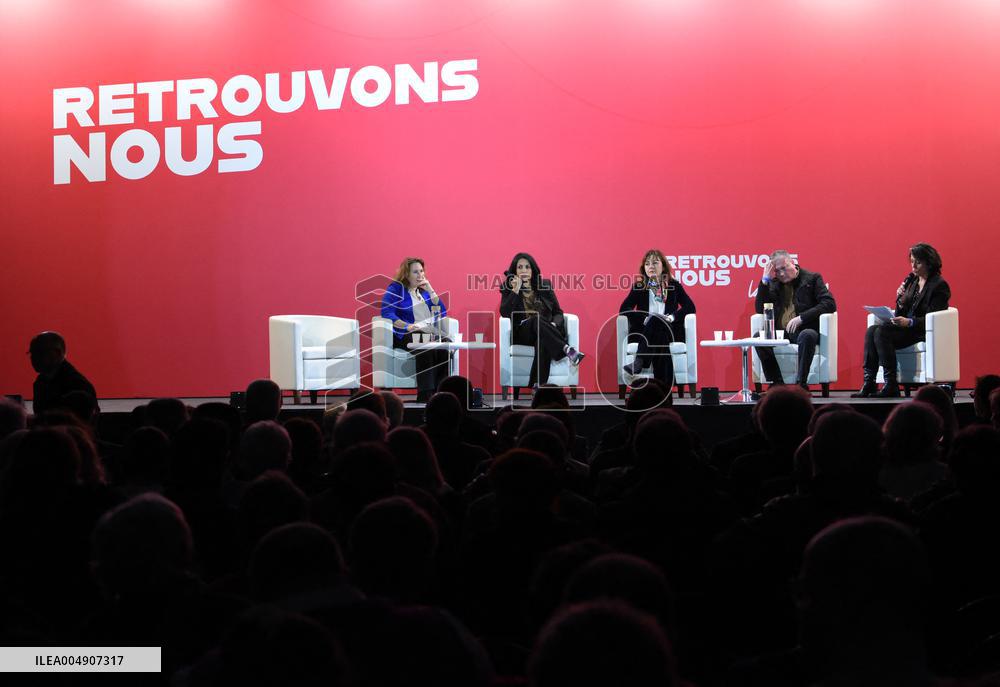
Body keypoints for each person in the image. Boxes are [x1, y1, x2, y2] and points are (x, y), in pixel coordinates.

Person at [853, 243, 951, 398]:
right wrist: (900, 300)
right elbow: (901, 312)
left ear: (929, 262)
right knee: (872, 330)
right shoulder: (912, 281)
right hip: (906, 329)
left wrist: (910, 322)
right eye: (911, 261)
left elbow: (933, 317)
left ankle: (891, 384)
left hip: (922, 331)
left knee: (881, 332)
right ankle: (869, 382)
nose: (913, 265)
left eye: (917, 262)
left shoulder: (939, 285)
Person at [754, 251, 836, 392]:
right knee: (758, 337)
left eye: (784, 268)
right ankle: (777, 382)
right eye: (777, 271)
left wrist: (802, 317)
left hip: (803, 330)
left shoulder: (812, 279)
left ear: (792, 262)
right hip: (780, 332)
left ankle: (801, 384)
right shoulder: (773, 284)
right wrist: (764, 281)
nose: (781, 274)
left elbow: (829, 303)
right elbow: (760, 309)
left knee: (808, 335)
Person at [499, 253, 583, 391]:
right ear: (515, 271)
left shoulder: (544, 286)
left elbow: (557, 312)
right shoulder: (508, 287)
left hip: (545, 331)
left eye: (527, 267)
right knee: (536, 319)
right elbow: (505, 313)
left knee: (543, 339)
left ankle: (537, 386)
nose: (524, 270)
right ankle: (567, 349)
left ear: (533, 270)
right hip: (522, 333)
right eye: (520, 267)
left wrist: (554, 325)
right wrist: (515, 289)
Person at [619, 249, 696, 393]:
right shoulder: (639, 287)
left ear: (664, 266)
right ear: (644, 269)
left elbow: (690, 307)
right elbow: (624, 308)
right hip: (647, 330)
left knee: (658, 322)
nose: (651, 266)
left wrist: (671, 317)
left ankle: (640, 361)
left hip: (669, 328)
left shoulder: (674, 286)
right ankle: (664, 388)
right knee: (657, 329)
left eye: (655, 262)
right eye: (647, 264)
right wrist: (644, 318)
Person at [380, 257, 451, 402]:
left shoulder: (424, 292)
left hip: (426, 332)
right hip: (405, 334)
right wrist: (407, 326)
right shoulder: (396, 288)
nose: (420, 275)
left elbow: (442, 312)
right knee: (424, 343)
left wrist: (430, 289)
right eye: (415, 272)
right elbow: (387, 312)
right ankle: (425, 395)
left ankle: (441, 394)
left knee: (445, 344)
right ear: (406, 274)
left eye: (422, 271)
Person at [29, 331, 97, 415]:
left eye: (39, 352)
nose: (33, 358)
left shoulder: (77, 384)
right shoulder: (42, 381)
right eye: (32, 353)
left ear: (57, 353)